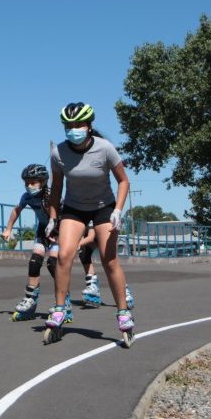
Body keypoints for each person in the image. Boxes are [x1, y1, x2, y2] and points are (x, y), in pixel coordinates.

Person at [46, 102, 134, 346]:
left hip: (104, 207)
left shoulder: (105, 148)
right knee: (63, 255)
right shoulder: (58, 152)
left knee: (109, 259)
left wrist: (118, 210)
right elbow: (56, 187)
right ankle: (59, 309)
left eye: (78, 124)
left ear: (88, 126)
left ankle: (123, 312)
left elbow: (124, 181)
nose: (73, 129)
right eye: (68, 125)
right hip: (74, 208)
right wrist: (53, 217)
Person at [1, 163, 57, 320]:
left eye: (33, 182)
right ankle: (30, 300)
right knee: (34, 262)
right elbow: (16, 210)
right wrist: (8, 229)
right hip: (43, 230)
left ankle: (63, 300)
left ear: (43, 182)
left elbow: (65, 216)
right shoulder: (27, 197)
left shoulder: (52, 196)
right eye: (26, 183)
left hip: (58, 232)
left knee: (53, 264)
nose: (29, 186)